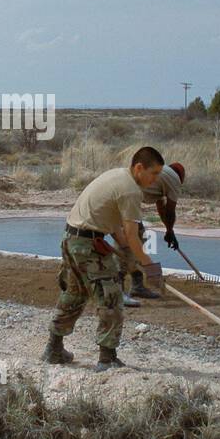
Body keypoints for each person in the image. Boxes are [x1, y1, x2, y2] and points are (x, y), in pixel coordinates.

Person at [45, 147, 164, 372]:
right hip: (88, 244)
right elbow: (130, 234)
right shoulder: (131, 191)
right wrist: (149, 267)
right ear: (139, 168)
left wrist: (129, 255)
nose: (156, 179)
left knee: (74, 294)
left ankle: (53, 349)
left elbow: (118, 230)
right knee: (111, 298)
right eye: (154, 173)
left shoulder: (117, 175)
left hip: (71, 239)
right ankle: (107, 359)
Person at [115, 161, 185, 305]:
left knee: (139, 239)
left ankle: (137, 285)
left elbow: (161, 206)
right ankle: (117, 293)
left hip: (124, 200)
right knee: (126, 246)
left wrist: (168, 230)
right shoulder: (174, 179)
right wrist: (170, 232)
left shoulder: (160, 176)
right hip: (123, 202)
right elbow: (170, 210)